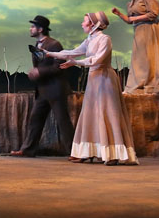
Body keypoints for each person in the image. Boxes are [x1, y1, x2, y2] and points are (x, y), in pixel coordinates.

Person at [46, 12, 138, 166]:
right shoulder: (89, 40)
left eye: (85, 22)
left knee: (107, 113)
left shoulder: (105, 39)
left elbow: (97, 59)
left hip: (105, 79)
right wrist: (49, 54)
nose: (82, 24)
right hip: (94, 79)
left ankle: (112, 153)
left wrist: (76, 63)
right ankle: (87, 152)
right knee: (90, 114)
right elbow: (72, 52)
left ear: (94, 25)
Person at [6, 15, 73, 157]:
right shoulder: (37, 45)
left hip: (55, 90)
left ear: (40, 29)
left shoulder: (54, 44)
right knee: (35, 120)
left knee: (63, 122)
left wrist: (39, 71)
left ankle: (74, 151)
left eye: (33, 27)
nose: (30, 29)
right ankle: (27, 150)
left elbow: (59, 66)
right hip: (43, 90)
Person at [111, 0, 159, 94]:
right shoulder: (132, 1)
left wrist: (135, 18)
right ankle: (139, 85)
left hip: (150, 29)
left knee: (149, 56)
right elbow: (130, 20)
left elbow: (153, 14)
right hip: (139, 30)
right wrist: (119, 14)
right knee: (139, 58)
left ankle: (151, 85)